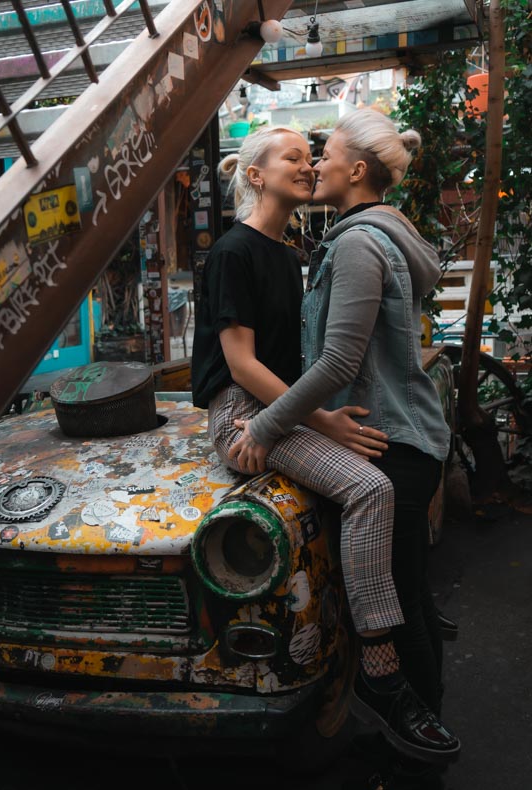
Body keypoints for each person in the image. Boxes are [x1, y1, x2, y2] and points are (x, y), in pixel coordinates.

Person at [191, 124, 458, 767]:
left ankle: (373, 674)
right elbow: (242, 364)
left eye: (315, 157)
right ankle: (378, 663)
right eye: (294, 157)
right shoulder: (233, 251)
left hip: (287, 414)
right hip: (243, 415)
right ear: (255, 175)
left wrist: (319, 418)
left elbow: (312, 358)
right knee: (369, 488)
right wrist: (315, 420)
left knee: (371, 503)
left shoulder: (296, 253)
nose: (310, 165)